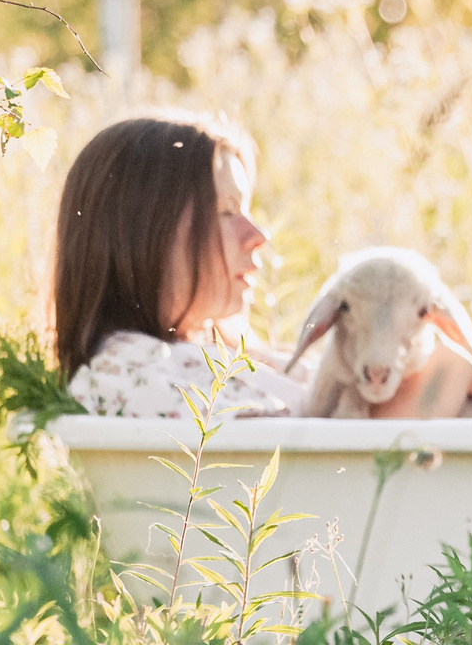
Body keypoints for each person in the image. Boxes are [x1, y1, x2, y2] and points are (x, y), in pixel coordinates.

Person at [53, 111, 305, 418]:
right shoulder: (120, 375)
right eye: (226, 211)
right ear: (144, 232)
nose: (258, 235)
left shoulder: (228, 358)